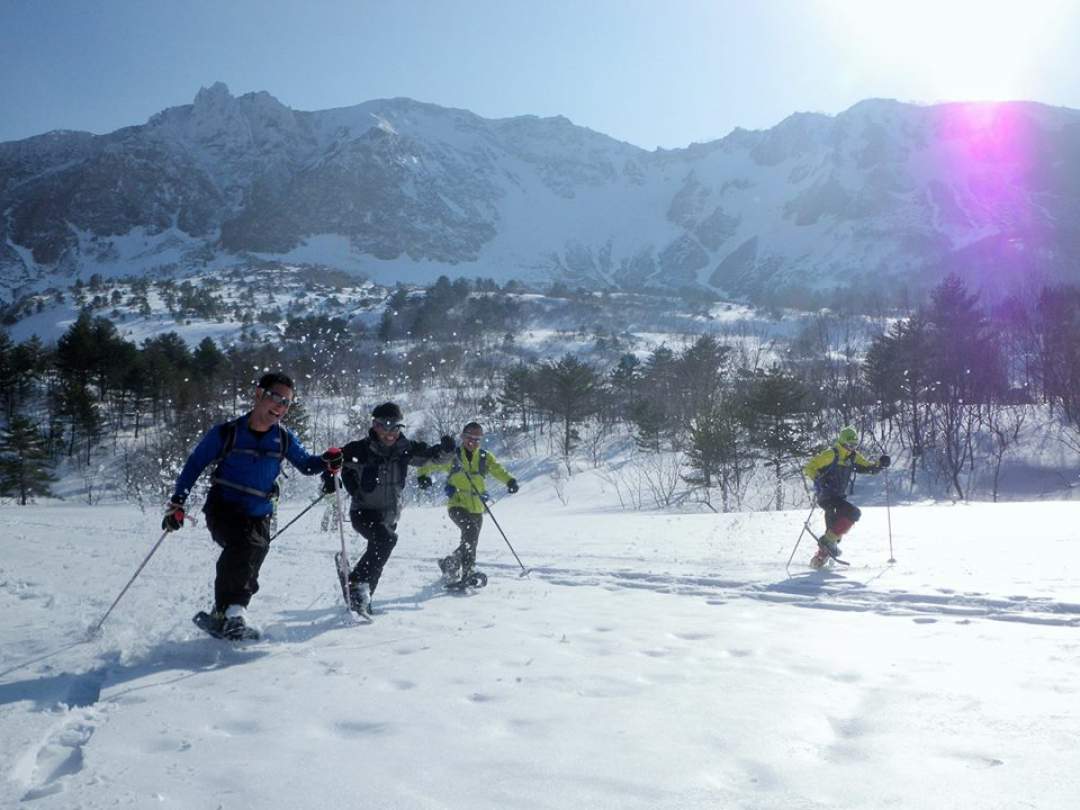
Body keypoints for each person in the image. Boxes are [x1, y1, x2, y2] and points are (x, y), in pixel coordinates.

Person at [164, 372, 343, 639]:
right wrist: (177, 502)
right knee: (244, 546)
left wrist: (327, 461)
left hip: (260, 513)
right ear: (258, 394)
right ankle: (233, 613)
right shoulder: (227, 433)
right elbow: (194, 465)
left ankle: (223, 614)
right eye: (276, 398)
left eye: (287, 403)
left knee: (250, 557)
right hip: (223, 507)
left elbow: (306, 465)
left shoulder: (283, 438)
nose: (280, 407)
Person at [322, 402, 455, 614]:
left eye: (396, 426)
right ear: (375, 425)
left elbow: (430, 456)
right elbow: (332, 460)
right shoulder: (359, 449)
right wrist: (329, 479)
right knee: (386, 540)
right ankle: (357, 583)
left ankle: (362, 597)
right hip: (363, 512)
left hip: (389, 515)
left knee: (380, 551)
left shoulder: (405, 449)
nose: (390, 431)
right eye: (385, 425)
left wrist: (447, 450)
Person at [417, 421, 519, 584]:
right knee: (470, 532)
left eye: (477, 439)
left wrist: (510, 481)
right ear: (463, 437)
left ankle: (453, 565)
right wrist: (422, 476)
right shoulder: (453, 456)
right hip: (457, 505)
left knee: (471, 541)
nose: (473, 442)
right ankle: (466, 570)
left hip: (477, 507)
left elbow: (498, 470)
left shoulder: (485, 457)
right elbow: (429, 464)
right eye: (469, 438)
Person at [802, 426, 889, 568]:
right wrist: (820, 479)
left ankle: (819, 559)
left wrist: (880, 465)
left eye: (855, 445)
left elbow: (868, 467)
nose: (852, 448)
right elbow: (809, 467)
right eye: (850, 445)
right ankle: (827, 542)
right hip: (826, 495)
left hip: (838, 497)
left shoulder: (852, 457)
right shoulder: (831, 454)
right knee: (853, 513)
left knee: (835, 529)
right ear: (842, 442)